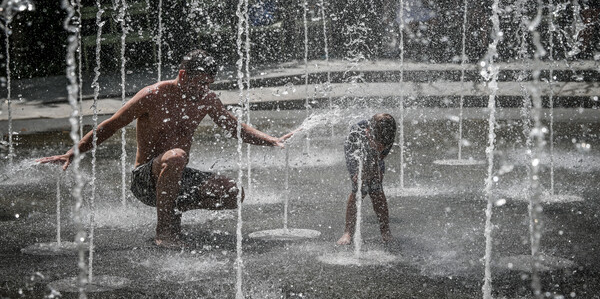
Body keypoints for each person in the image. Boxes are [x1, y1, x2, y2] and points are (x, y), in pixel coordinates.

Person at [37, 49, 293, 248]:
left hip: (176, 173)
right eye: (198, 84)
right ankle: (165, 231)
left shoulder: (206, 100)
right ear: (182, 75)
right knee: (177, 156)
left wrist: (271, 140)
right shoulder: (153, 95)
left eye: (207, 85)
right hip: (145, 178)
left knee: (233, 193)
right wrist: (75, 151)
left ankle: (173, 209)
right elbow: (111, 125)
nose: (202, 90)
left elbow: (235, 127)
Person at [337, 113, 396, 245]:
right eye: (378, 143)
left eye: (382, 144)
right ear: (369, 132)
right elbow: (353, 157)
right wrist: (359, 173)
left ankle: (385, 231)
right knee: (359, 189)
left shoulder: (389, 131)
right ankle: (348, 232)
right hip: (356, 151)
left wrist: (376, 168)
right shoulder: (357, 134)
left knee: (376, 189)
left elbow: (381, 154)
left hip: (374, 153)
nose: (381, 146)